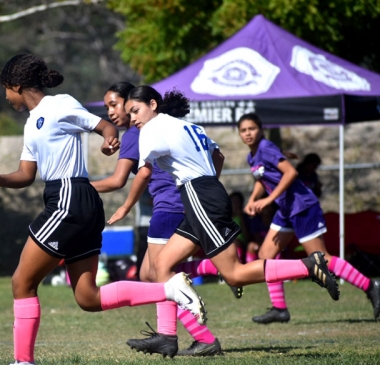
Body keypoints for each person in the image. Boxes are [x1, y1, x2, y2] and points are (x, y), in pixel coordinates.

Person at [0, 54, 206, 365]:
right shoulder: (32, 123)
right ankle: (171, 290)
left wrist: (109, 137)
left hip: (69, 198)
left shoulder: (59, 104)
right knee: (88, 297)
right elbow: (27, 174)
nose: (5, 97)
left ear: (16, 86)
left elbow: (102, 124)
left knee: (22, 282)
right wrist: (0, 179)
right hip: (75, 201)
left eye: (5, 89)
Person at [107, 86, 340, 317]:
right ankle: (171, 335)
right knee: (160, 268)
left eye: (136, 110)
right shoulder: (188, 125)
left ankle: (308, 266)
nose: (133, 118)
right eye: (131, 113)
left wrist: (126, 206)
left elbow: (145, 173)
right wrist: (208, 185)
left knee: (235, 274)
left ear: (153, 105)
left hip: (200, 196)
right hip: (205, 194)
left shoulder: (151, 129)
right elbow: (219, 156)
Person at [92, 83, 223, 357]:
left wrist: (82, 187)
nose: (111, 112)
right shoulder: (161, 126)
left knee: (158, 275)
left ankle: (187, 334)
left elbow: (120, 180)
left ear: (135, 105)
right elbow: (216, 155)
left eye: (114, 105)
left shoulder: (137, 133)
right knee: (150, 274)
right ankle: (212, 275)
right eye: (107, 107)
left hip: (169, 206)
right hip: (180, 203)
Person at [238, 113, 380, 323]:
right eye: (243, 130)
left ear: (260, 129)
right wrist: (252, 200)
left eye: (252, 128)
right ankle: (279, 309)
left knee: (321, 258)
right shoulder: (253, 155)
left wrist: (268, 200)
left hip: (302, 206)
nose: (248, 133)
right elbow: (262, 178)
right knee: (267, 254)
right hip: (286, 209)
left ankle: (371, 287)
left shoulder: (266, 147)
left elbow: (290, 173)